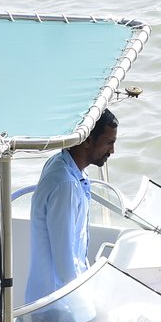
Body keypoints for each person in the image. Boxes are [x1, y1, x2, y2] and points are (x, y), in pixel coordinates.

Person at [24, 109, 118, 304]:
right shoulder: (65, 185)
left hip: (61, 296)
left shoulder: (61, 164)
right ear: (88, 140)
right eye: (109, 143)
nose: (112, 151)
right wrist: (84, 309)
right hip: (57, 304)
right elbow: (65, 261)